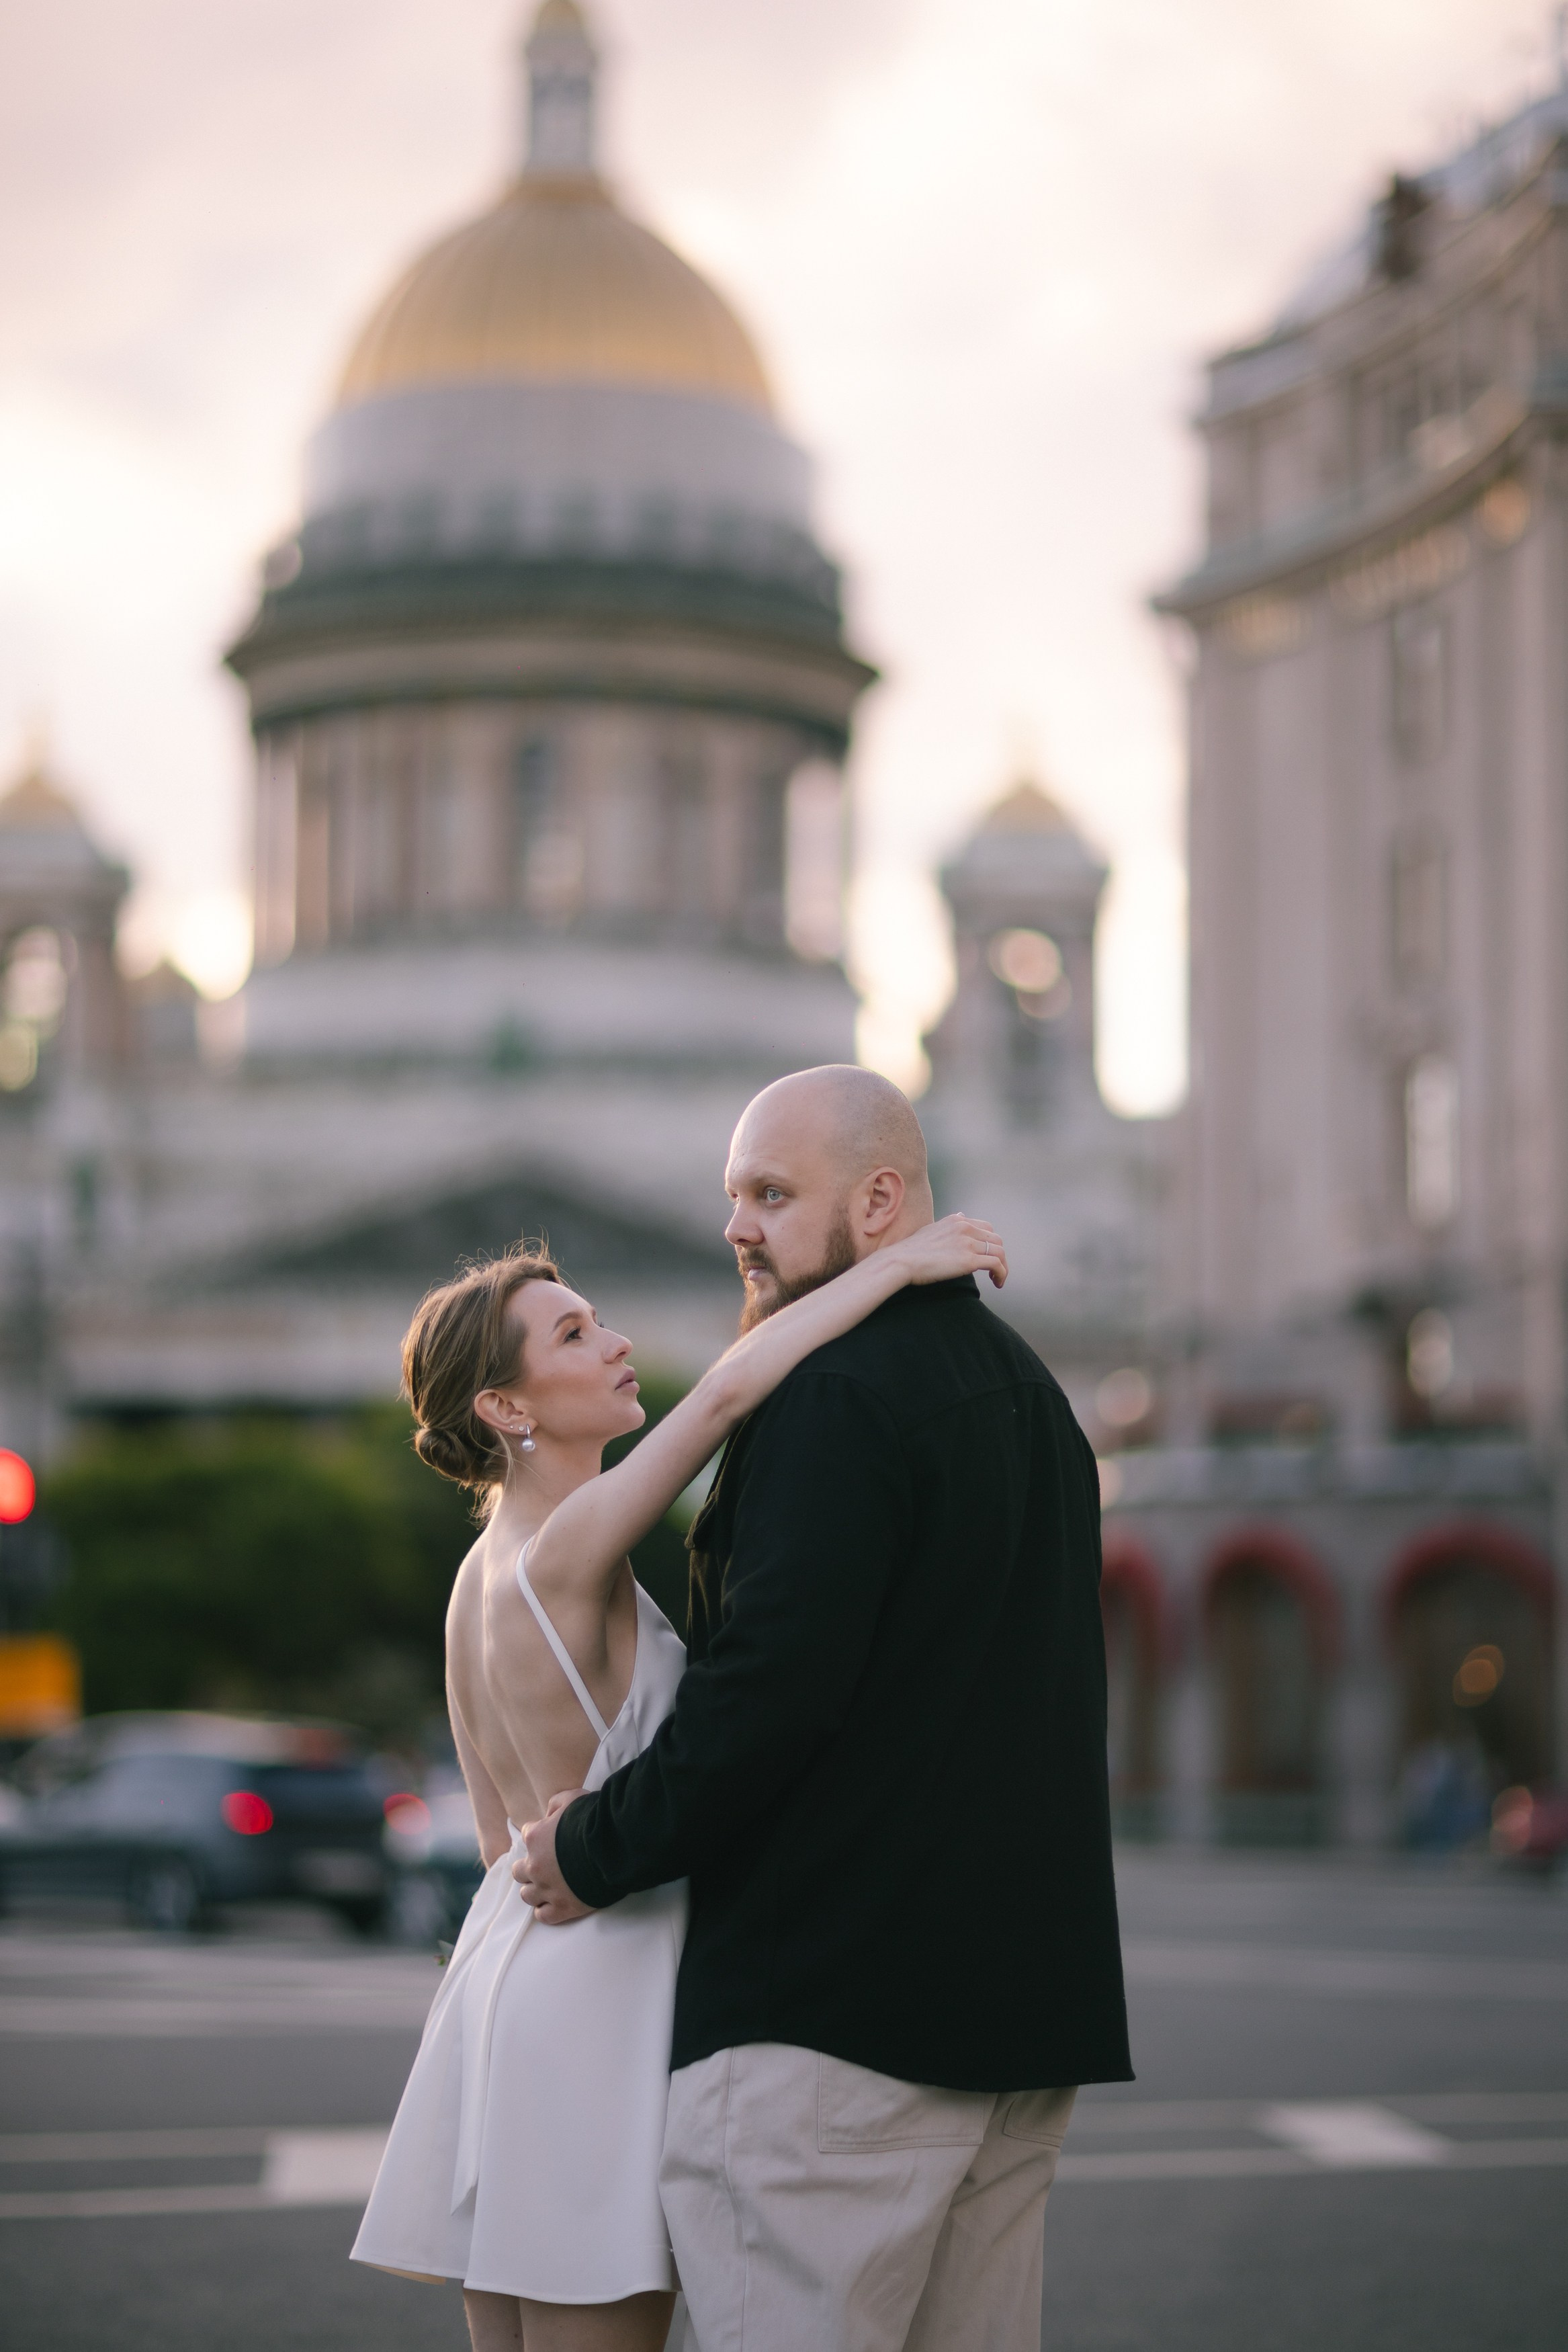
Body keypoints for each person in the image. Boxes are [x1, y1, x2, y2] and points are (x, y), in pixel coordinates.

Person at [517, 1062, 1133, 2352]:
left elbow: (768, 1697)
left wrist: (589, 1850)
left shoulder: (836, 1397)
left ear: (880, 1201)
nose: (736, 1225)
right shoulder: (1035, 1401)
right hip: (1022, 2021)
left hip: (830, 2031)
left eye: (771, 1194)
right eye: (733, 1192)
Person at [349, 1198, 1010, 2352]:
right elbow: (725, 1394)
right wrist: (902, 1263)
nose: (611, 1343)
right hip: (607, 1980)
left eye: (594, 1319)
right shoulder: (568, 1544)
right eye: (569, 1337)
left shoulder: (475, 1577)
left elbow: (498, 1837)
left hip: (502, 1986)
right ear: (504, 1408)